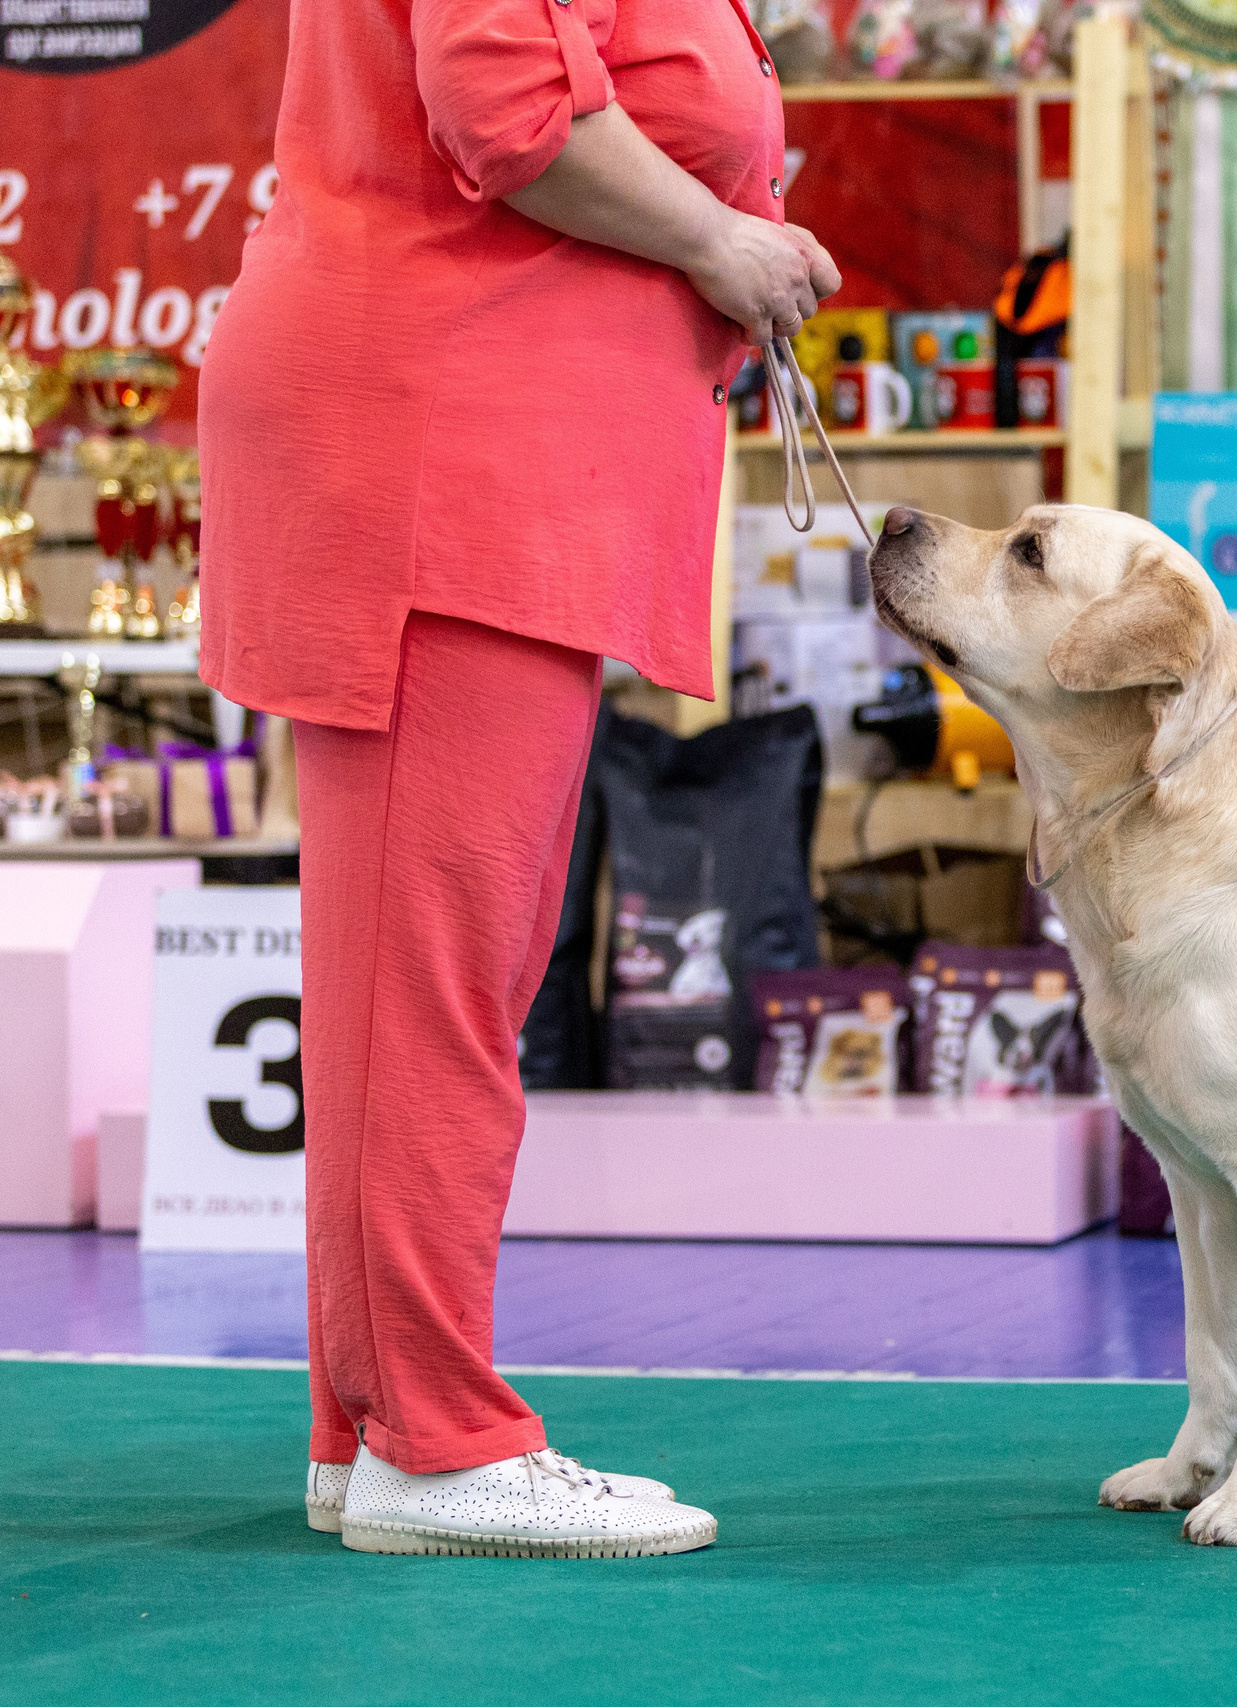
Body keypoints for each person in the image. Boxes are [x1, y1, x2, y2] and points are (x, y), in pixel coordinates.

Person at [197, 0, 841, 1558]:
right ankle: (439, 1437)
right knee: (437, 983)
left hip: (459, 428)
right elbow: (508, 109)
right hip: (451, 439)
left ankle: (372, 1430)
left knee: (400, 985)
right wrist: (724, 243)